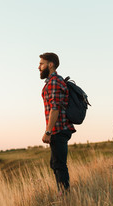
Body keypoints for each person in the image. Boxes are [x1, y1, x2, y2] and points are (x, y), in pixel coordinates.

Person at [38, 52, 76, 193]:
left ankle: (65, 197)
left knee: (59, 165)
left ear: (51, 64)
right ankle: (62, 194)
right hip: (57, 129)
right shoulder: (52, 82)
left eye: (42, 64)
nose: (39, 67)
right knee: (55, 164)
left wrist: (48, 131)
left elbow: (55, 108)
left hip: (59, 129)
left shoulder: (54, 82)